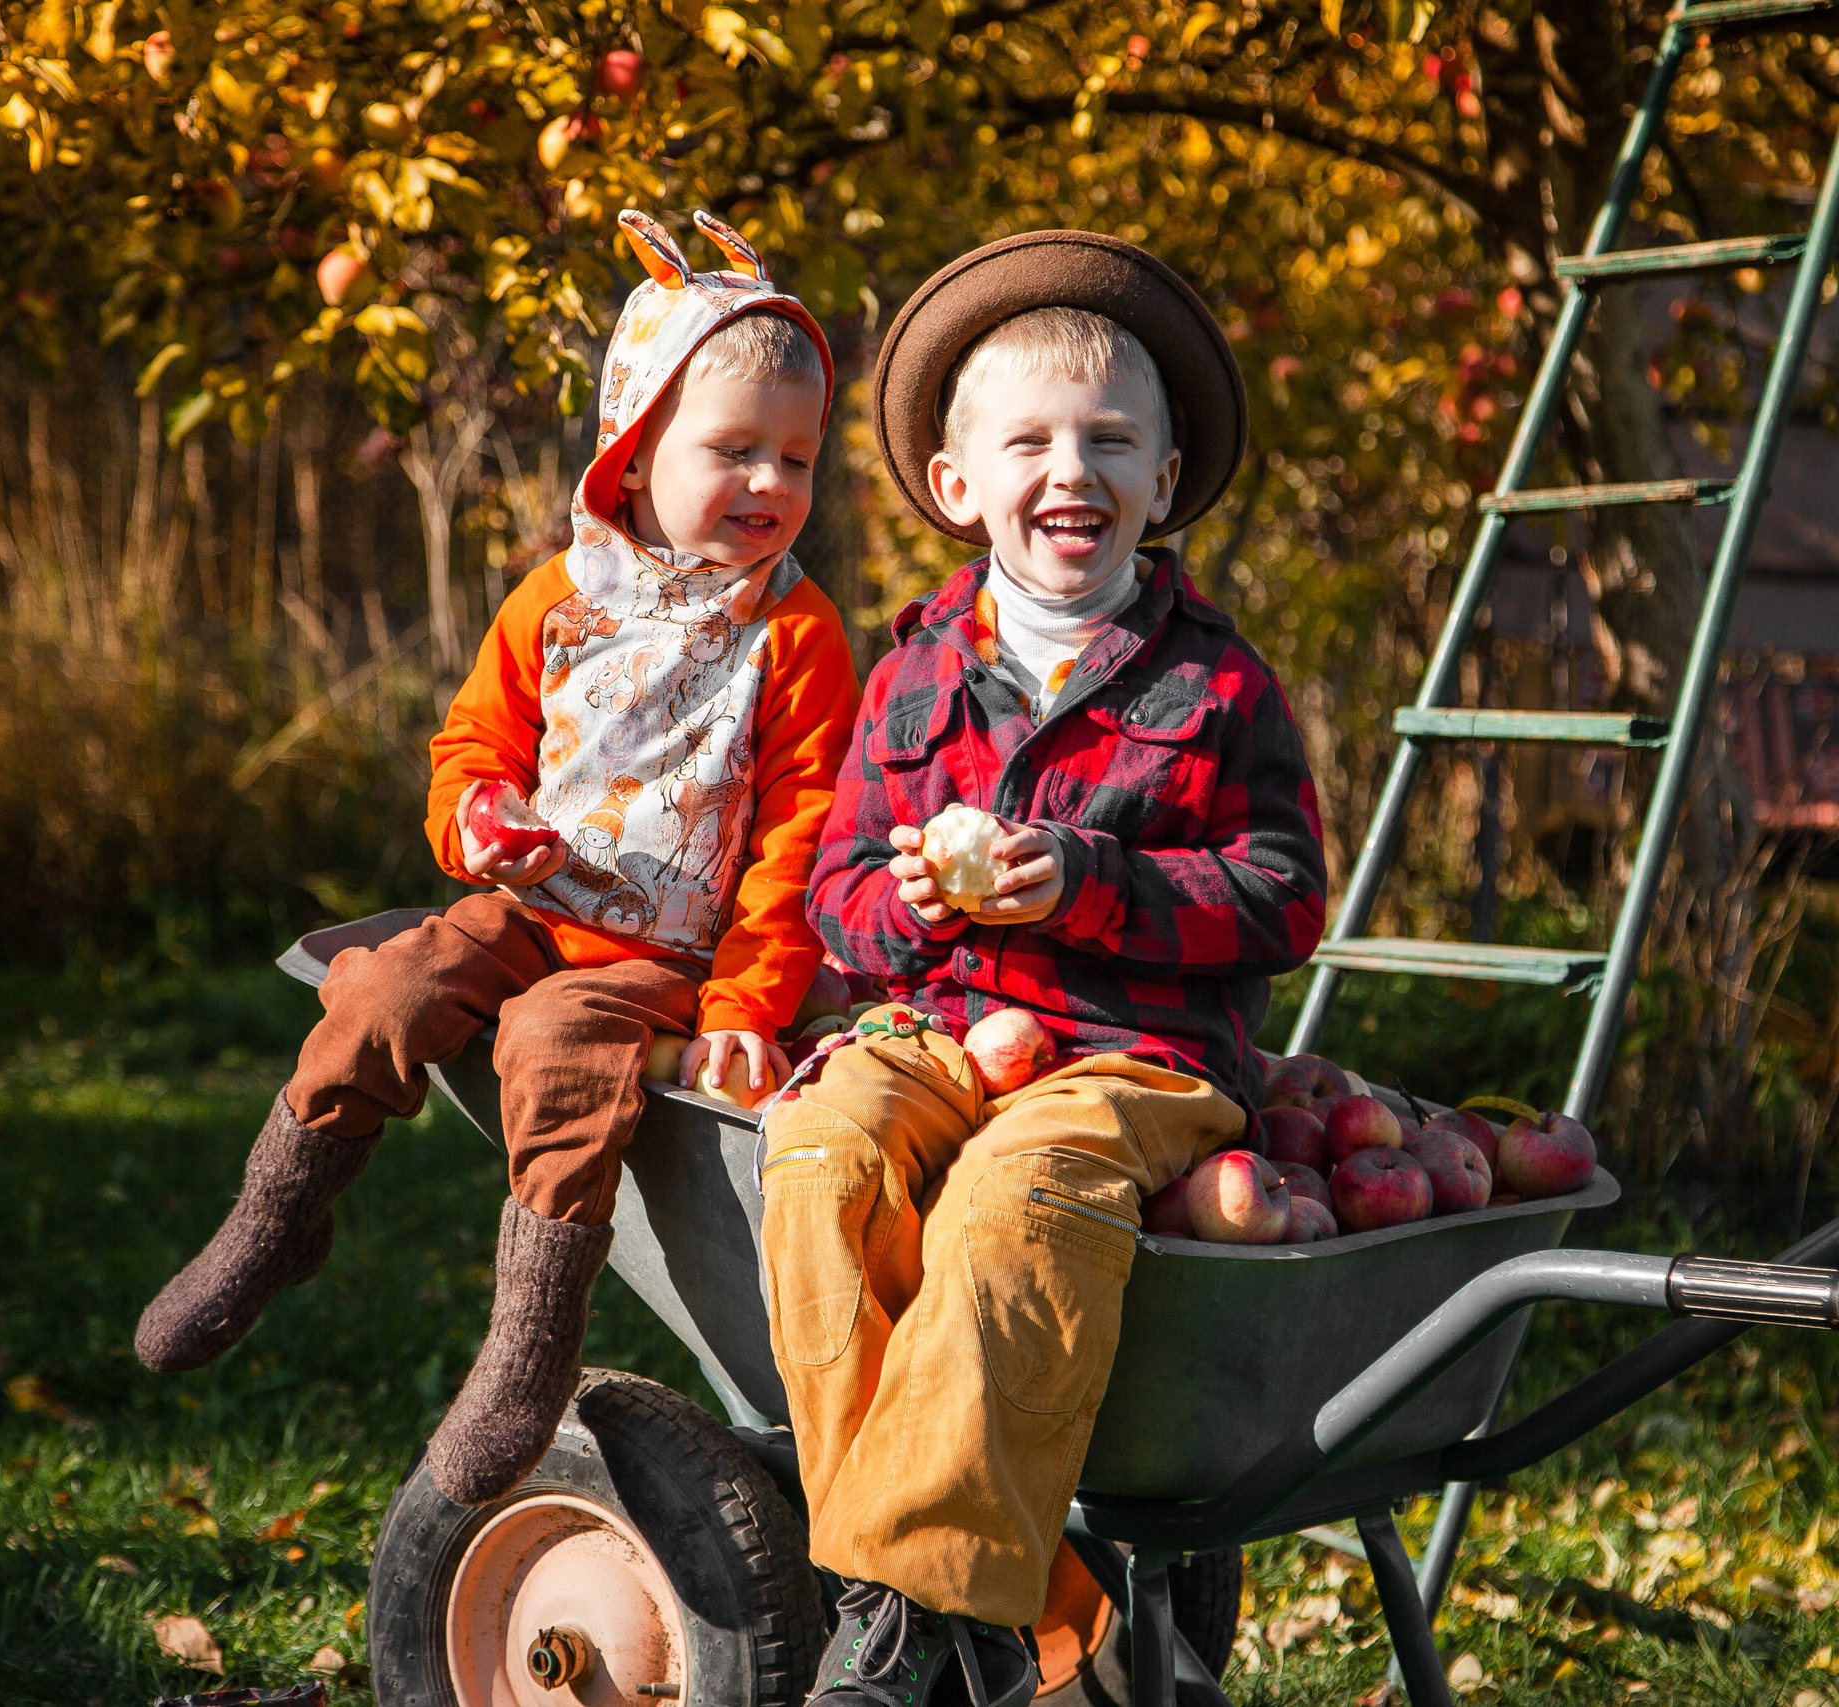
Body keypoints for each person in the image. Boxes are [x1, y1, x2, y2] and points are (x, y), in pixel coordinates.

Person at [137, 209, 860, 1508]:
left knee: (557, 1050)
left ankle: (529, 1349)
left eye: (796, 459)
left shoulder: (795, 633)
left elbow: (802, 837)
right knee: (380, 988)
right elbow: (473, 746)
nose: (769, 483)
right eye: (733, 450)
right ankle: (277, 1217)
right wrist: (479, 818)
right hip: (526, 907)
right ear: (634, 455)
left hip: (668, 955)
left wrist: (751, 1004)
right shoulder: (556, 598)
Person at [756, 232, 1328, 1707]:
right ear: (960, 487)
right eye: (1030, 442)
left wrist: (1094, 882)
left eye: (1111, 441)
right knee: (814, 1157)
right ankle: (989, 1608)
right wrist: (928, 909)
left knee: (1021, 1198)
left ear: (1166, 477)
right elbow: (839, 909)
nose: (1071, 469)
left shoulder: (1217, 683)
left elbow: (1282, 899)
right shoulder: (913, 676)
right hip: (942, 1027)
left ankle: (894, 1635)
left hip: (1138, 1057)